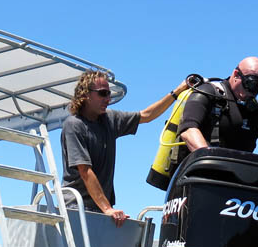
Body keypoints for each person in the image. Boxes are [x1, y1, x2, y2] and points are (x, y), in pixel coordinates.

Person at [61, 71, 190, 227]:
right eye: (102, 93)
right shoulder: (74, 125)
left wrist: (178, 91)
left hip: (101, 208)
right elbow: (85, 171)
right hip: (76, 207)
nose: (108, 99)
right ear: (85, 95)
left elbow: (146, 115)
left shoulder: (109, 119)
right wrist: (108, 209)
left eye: (109, 93)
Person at [177, 56, 258, 154]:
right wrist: (212, 161)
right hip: (200, 172)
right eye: (250, 82)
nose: (253, 90)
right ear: (236, 75)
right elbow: (188, 130)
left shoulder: (257, 110)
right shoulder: (208, 92)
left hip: (236, 174)